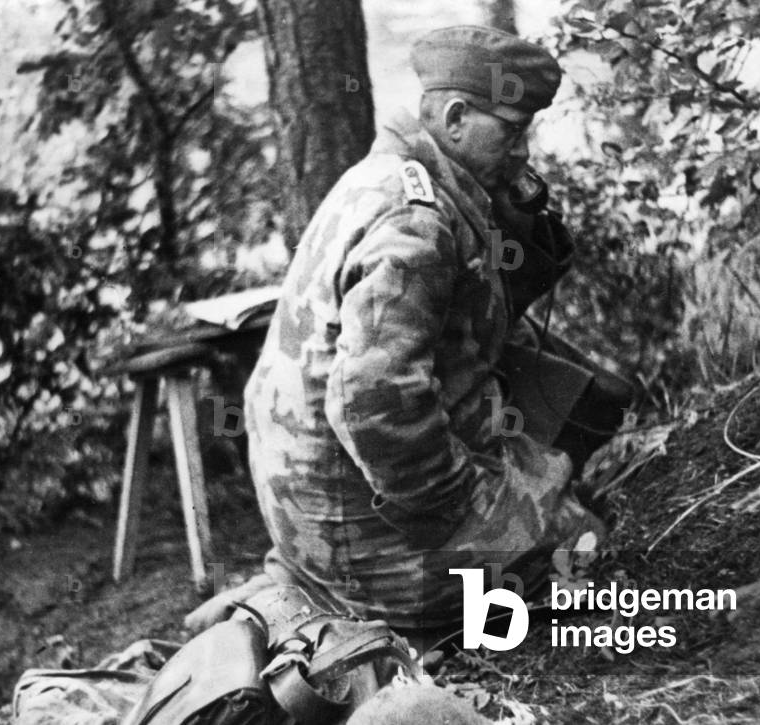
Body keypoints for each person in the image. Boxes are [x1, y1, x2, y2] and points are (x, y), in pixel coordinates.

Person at [186, 25, 630, 638]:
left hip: (317, 501)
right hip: (359, 512)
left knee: (554, 455)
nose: (524, 152)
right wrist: (461, 507)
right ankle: (374, 604)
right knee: (582, 549)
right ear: (454, 118)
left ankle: (306, 585)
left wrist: (522, 225)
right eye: (511, 131)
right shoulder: (416, 222)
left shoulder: (388, 175)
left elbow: (469, 324)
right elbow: (371, 399)